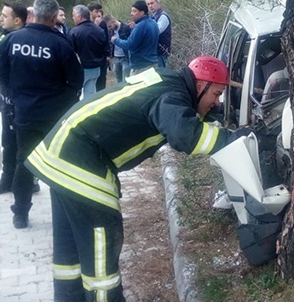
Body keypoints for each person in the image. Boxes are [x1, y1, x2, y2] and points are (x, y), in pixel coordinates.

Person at [25, 56, 249, 301]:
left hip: (59, 156)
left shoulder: (167, 81)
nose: (217, 103)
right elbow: (186, 136)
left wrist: (218, 126)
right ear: (200, 86)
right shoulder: (172, 97)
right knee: (102, 250)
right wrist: (236, 140)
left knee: (70, 252)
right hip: (81, 164)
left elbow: (182, 116)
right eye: (216, 94)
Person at [0, 0, 84, 228]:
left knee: (24, 161)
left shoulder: (12, 40)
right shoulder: (61, 44)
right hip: (54, 116)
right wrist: (61, 104)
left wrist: (15, 94)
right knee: (58, 161)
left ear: (33, 16)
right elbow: (75, 82)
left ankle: (20, 214)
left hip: (23, 113)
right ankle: (64, 216)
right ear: (54, 18)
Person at [0, 1, 28, 196]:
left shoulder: (13, 40)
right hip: (15, 101)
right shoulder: (10, 37)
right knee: (12, 141)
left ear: (17, 20)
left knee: (17, 142)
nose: (0, 18)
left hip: (15, 101)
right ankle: (12, 179)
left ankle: (17, 181)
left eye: (4, 16)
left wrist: (10, 88)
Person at [68, 5, 110, 98]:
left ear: (79, 17)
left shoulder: (74, 32)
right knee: (90, 93)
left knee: (77, 95)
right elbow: (105, 47)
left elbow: (69, 52)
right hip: (97, 67)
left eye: (73, 15)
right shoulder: (99, 30)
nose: (73, 17)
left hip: (82, 68)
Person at [112, 0, 158, 75]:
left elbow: (129, 44)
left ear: (142, 12)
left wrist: (116, 40)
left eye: (134, 11)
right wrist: (133, 29)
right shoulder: (153, 22)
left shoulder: (140, 26)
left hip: (141, 67)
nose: (131, 13)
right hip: (152, 63)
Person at [145, 0, 172, 68]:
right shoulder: (152, 17)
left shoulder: (163, 16)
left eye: (152, 3)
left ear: (158, 3)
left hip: (161, 53)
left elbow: (155, 32)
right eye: (148, 4)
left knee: (160, 76)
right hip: (154, 53)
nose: (150, 6)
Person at [88, 2, 109, 91]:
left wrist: (108, 54)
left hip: (102, 57)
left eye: (100, 11)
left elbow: (106, 39)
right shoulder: (86, 23)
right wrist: (95, 26)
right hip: (89, 57)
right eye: (96, 11)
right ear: (90, 12)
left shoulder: (102, 23)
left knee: (101, 81)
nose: (98, 14)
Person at [103, 15, 131, 83]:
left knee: (126, 80)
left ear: (114, 22)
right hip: (116, 57)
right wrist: (109, 55)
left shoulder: (126, 28)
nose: (110, 28)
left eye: (110, 26)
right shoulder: (110, 31)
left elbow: (129, 43)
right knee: (118, 80)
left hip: (125, 57)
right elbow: (110, 44)